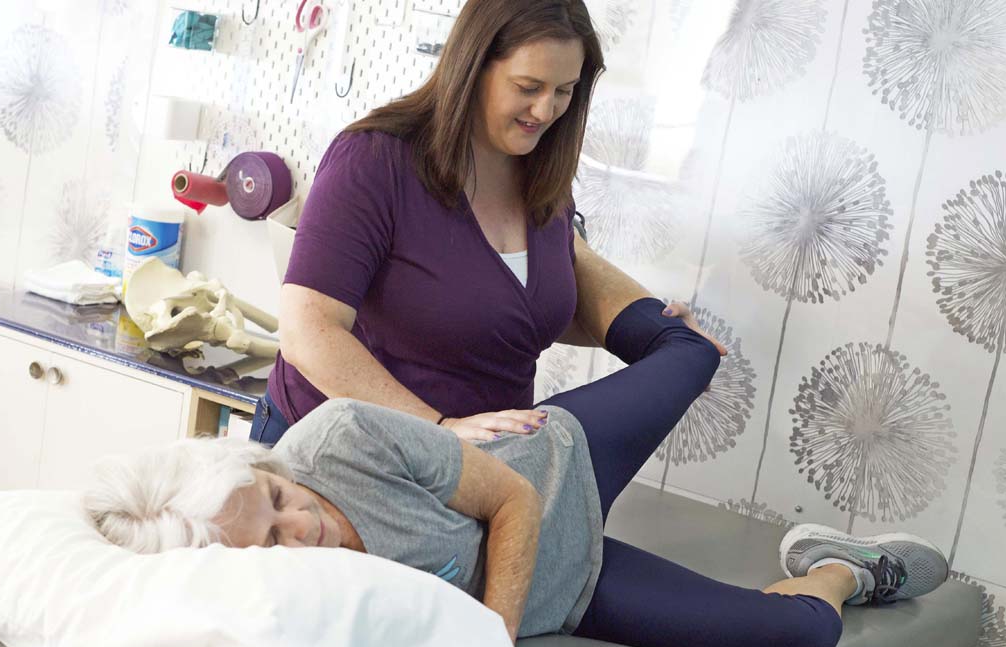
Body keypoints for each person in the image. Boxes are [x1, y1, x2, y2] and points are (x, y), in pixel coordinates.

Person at [88, 293, 948, 647]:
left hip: (555, 464)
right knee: (800, 642)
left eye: (277, 498)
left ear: (264, 465)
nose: (299, 524)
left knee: (692, 352)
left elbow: (513, 501)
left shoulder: (337, 438)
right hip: (569, 588)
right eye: (269, 539)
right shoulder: (283, 607)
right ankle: (840, 565)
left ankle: (579, 261)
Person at [256, 0, 726, 446]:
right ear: (473, 67)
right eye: (528, 88)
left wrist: (661, 340)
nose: (546, 111)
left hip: (468, 472)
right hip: (338, 456)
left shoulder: (541, 176)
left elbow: (518, 313)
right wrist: (439, 429)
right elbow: (308, 333)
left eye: (565, 91)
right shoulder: (375, 161)